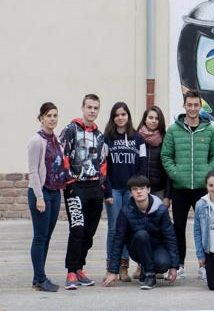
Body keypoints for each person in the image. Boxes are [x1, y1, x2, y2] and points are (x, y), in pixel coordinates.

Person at [161, 90, 214, 279]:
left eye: (196, 105)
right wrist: (177, 174)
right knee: (178, 227)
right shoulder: (173, 130)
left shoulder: (209, 130)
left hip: (202, 189)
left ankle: (205, 266)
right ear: (184, 106)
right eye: (190, 105)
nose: (193, 108)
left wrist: (205, 175)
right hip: (180, 188)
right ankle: (180, 265)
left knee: (205, 228)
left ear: (200, 106)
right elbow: (166, 156)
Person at [60, 93, 108, 290]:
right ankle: (71, 271)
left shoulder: (99, 135)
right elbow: (62, 156)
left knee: (89, 232)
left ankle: (80, 268)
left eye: (96, 108)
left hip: (94, 188)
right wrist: (70, 182)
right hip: (76, 187)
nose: (92, 111)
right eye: (89, 107)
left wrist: (101, 185)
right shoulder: (70, 130)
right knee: (77, 229)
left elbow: (103, 162)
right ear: (82, 108)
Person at [101, 175, 179, 290]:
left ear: (148, 189)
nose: (139, 191)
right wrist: (113, 271)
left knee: (163, 264)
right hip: (137, 247)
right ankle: (150, 276)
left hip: (157, 246)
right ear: (131, 192)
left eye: (142, 188)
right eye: (135, 189)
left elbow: (170, 237)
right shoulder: (126, 211)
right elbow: (118, 240)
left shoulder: (161, 209)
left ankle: (145, 268)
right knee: (141, 234)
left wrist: (173, 266)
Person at [103, 102, 147, 282]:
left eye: (123, 114)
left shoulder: (138, 138)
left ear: (128, 116)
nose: (120, 118)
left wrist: (139, 190)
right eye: (117, 115)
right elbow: (103, 167)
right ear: (113, 118)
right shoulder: (107, 139)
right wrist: (107, 191)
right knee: (114, 229)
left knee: (129, 227)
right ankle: (112, 267)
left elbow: (142, 165)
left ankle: (124, 266)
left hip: (131, 191)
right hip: (114, 190)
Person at [27, 102, 68, 292]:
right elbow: (33, 172)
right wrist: (39, 197)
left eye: (55, 115)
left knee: (47, 236)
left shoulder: (56, 139)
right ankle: (40, 278)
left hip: (55, 191)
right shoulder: (36, 141)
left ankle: (39, 276)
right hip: (41, 192)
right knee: (40, 237)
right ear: (41, 117)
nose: (52, 119)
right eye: (49, 115)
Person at [135, 105, 171, 279]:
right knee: (140, 228)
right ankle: (141, 264)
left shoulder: (164, 140)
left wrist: (167, 196)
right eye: (150, 117)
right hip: (141, 191)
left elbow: (168, 170)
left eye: (156, 118)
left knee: (158, 228)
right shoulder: (136, 138)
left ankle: (160, 262)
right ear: (145, 119)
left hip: (158, 190)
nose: (153, 121)